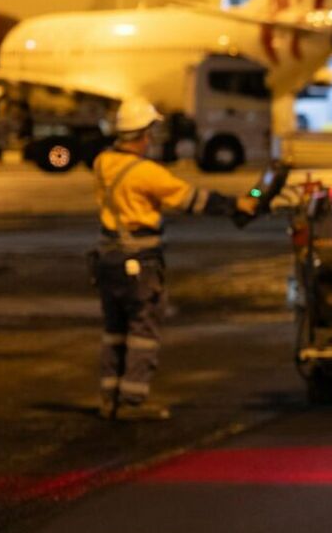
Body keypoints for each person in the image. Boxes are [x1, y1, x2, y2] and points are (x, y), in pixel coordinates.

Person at [91, 97, 256, 420]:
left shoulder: (102, 162)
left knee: (114, 329)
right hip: (139, 261)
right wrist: (239, 204)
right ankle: (133, 401)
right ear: (144, 134)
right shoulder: (148, 173)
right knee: (143, 331)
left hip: (107, 259)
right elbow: (193, 200)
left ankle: (109, 397)